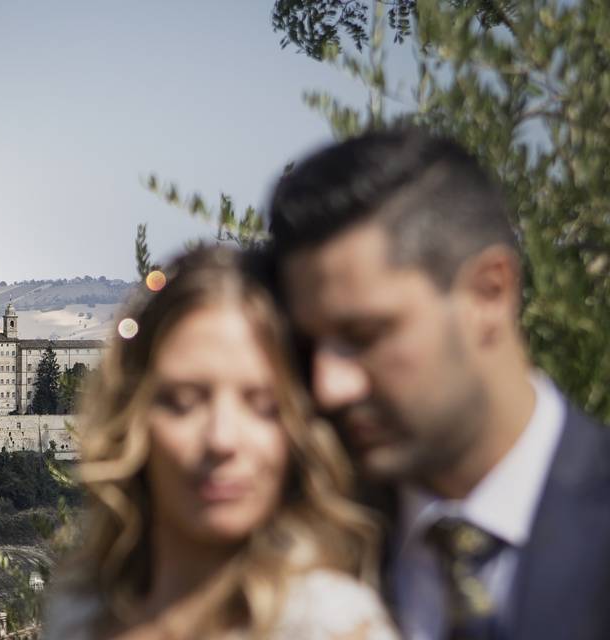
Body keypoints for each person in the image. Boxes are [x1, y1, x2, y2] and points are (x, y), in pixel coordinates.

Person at [267, 128, 610, 640]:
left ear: (489, 293)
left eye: (363, 335)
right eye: (311, 346)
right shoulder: (297, 556)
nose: (329, 385)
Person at [42, 246, 397, 639]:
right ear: (132, 416)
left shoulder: (335, 626)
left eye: (264, 406)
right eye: (183, 402)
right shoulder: (79, 611)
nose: (222, 440)